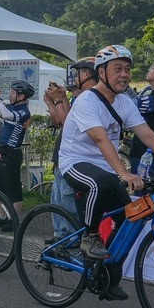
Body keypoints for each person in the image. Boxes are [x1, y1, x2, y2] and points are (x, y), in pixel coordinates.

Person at [58, 45, 154, 284]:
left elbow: (149, 136)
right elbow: (101, 138)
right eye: (117, 69)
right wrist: (123, 172)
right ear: (101, 73)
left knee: (130, 219)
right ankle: (90, 236)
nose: (124, 74)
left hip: (105, 167)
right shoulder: (86, 101)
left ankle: (105, 278)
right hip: (75, 162)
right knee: (100, 183)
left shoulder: (124, 102)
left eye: (127, 69)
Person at [45, 59, 98, 229]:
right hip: (63, 157)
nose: (74, 79)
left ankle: (69, 243)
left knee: (68, 208)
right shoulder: (80, 98)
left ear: (87, 74)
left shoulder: (87, 99)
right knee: (58, 203)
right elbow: (61, 122)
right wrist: (53, 102)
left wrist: (60, 100)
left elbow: (66, 122)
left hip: (74, 160)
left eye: (77, 74)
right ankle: (61, 241)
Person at [0, 80, 35, 213]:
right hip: (0, 150)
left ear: (21, 97)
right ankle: (2, 217)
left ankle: (13, 219)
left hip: (12, 153)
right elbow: (1, 107)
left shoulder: (24, 112)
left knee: (12, 188)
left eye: (13, 93)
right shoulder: (12, 107)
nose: (10, 95)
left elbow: (6, 115)